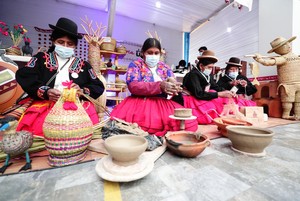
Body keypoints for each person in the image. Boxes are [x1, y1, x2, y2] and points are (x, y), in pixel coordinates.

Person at [15, 17, 105, 137]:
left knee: (81, 135)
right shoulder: (41, 58)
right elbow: (25, 75)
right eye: (61, 42)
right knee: (42, 134)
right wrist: (46, 91)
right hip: (46, 106)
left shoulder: (84, 65)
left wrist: (82, 91)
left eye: (70, 44)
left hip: (76, 108)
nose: (65, 46)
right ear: (53, 41)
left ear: (75, 46)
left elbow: (98, 85)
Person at [110, 38, 198, 136]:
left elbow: (171, 79)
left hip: (162, 103)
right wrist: (160, 85)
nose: (153, 56)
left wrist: (173, 85)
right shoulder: (136, 65)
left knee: (187, 124)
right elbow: (133, 86)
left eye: (156, 53)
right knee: (138, 127)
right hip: (140, 102)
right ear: (143, 53)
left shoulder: (165, 67)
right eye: (150, 52)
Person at [172, 50, 235, 124]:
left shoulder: (208, 75)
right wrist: (219, 94)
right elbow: (199, 94)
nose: (210, 70)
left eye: (212, 68)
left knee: (218, 96)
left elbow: (215, 87)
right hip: (191, 98)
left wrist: (227, 92)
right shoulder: (193, 75)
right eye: (209, 67)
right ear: (201, 65)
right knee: (212, 102)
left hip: (202, 95)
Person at [253, 36, 300, 120]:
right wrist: (260, 59)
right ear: (277, 50)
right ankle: (286, 114)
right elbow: (268, 62)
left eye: (288, 43)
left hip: (298, 83)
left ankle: (298, 114)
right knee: (287, 100)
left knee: (298, 101)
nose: (288, 46)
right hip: (287, 85)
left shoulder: (296, 56)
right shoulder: (282, 59)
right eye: (284, 45)